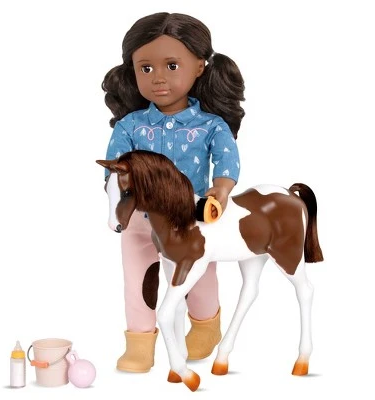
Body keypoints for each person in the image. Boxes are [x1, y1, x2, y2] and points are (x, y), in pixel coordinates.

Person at [102, 12, 245, 373]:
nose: (158, 77)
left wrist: (222, 187)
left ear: (199, 66)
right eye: (146, 68)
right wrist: (117, 195)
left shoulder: (210, 125)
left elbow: (227, 159)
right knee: (139, 279)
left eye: (171, 65)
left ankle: (205, 325)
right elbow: (115, 169)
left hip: (191, 219)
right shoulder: (130, 126)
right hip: (139, 220)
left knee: (199, 276)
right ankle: (139, 342)